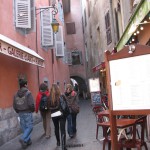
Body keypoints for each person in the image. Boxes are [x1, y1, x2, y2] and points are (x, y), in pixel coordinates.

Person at [13, 78, 35, 149]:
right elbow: (31, 104)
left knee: (25, 128)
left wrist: (17, 111)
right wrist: (32, 110)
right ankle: (23, 138)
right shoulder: (28, 93)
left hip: (20, 113)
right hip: (27, 112)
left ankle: (27, 141)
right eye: (27, 84)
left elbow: (14, 104)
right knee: (30, 127)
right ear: (25, 85)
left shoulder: (15, 94)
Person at [49, 84, 67, 150]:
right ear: (58, 89)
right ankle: (63, 146)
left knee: (56, 128)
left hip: (53, 114)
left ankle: (58, 142)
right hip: (61, 114)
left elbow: (47, 106)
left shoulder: (49, 97)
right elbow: (65, 105)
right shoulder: (61, 96)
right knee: (62, 130)